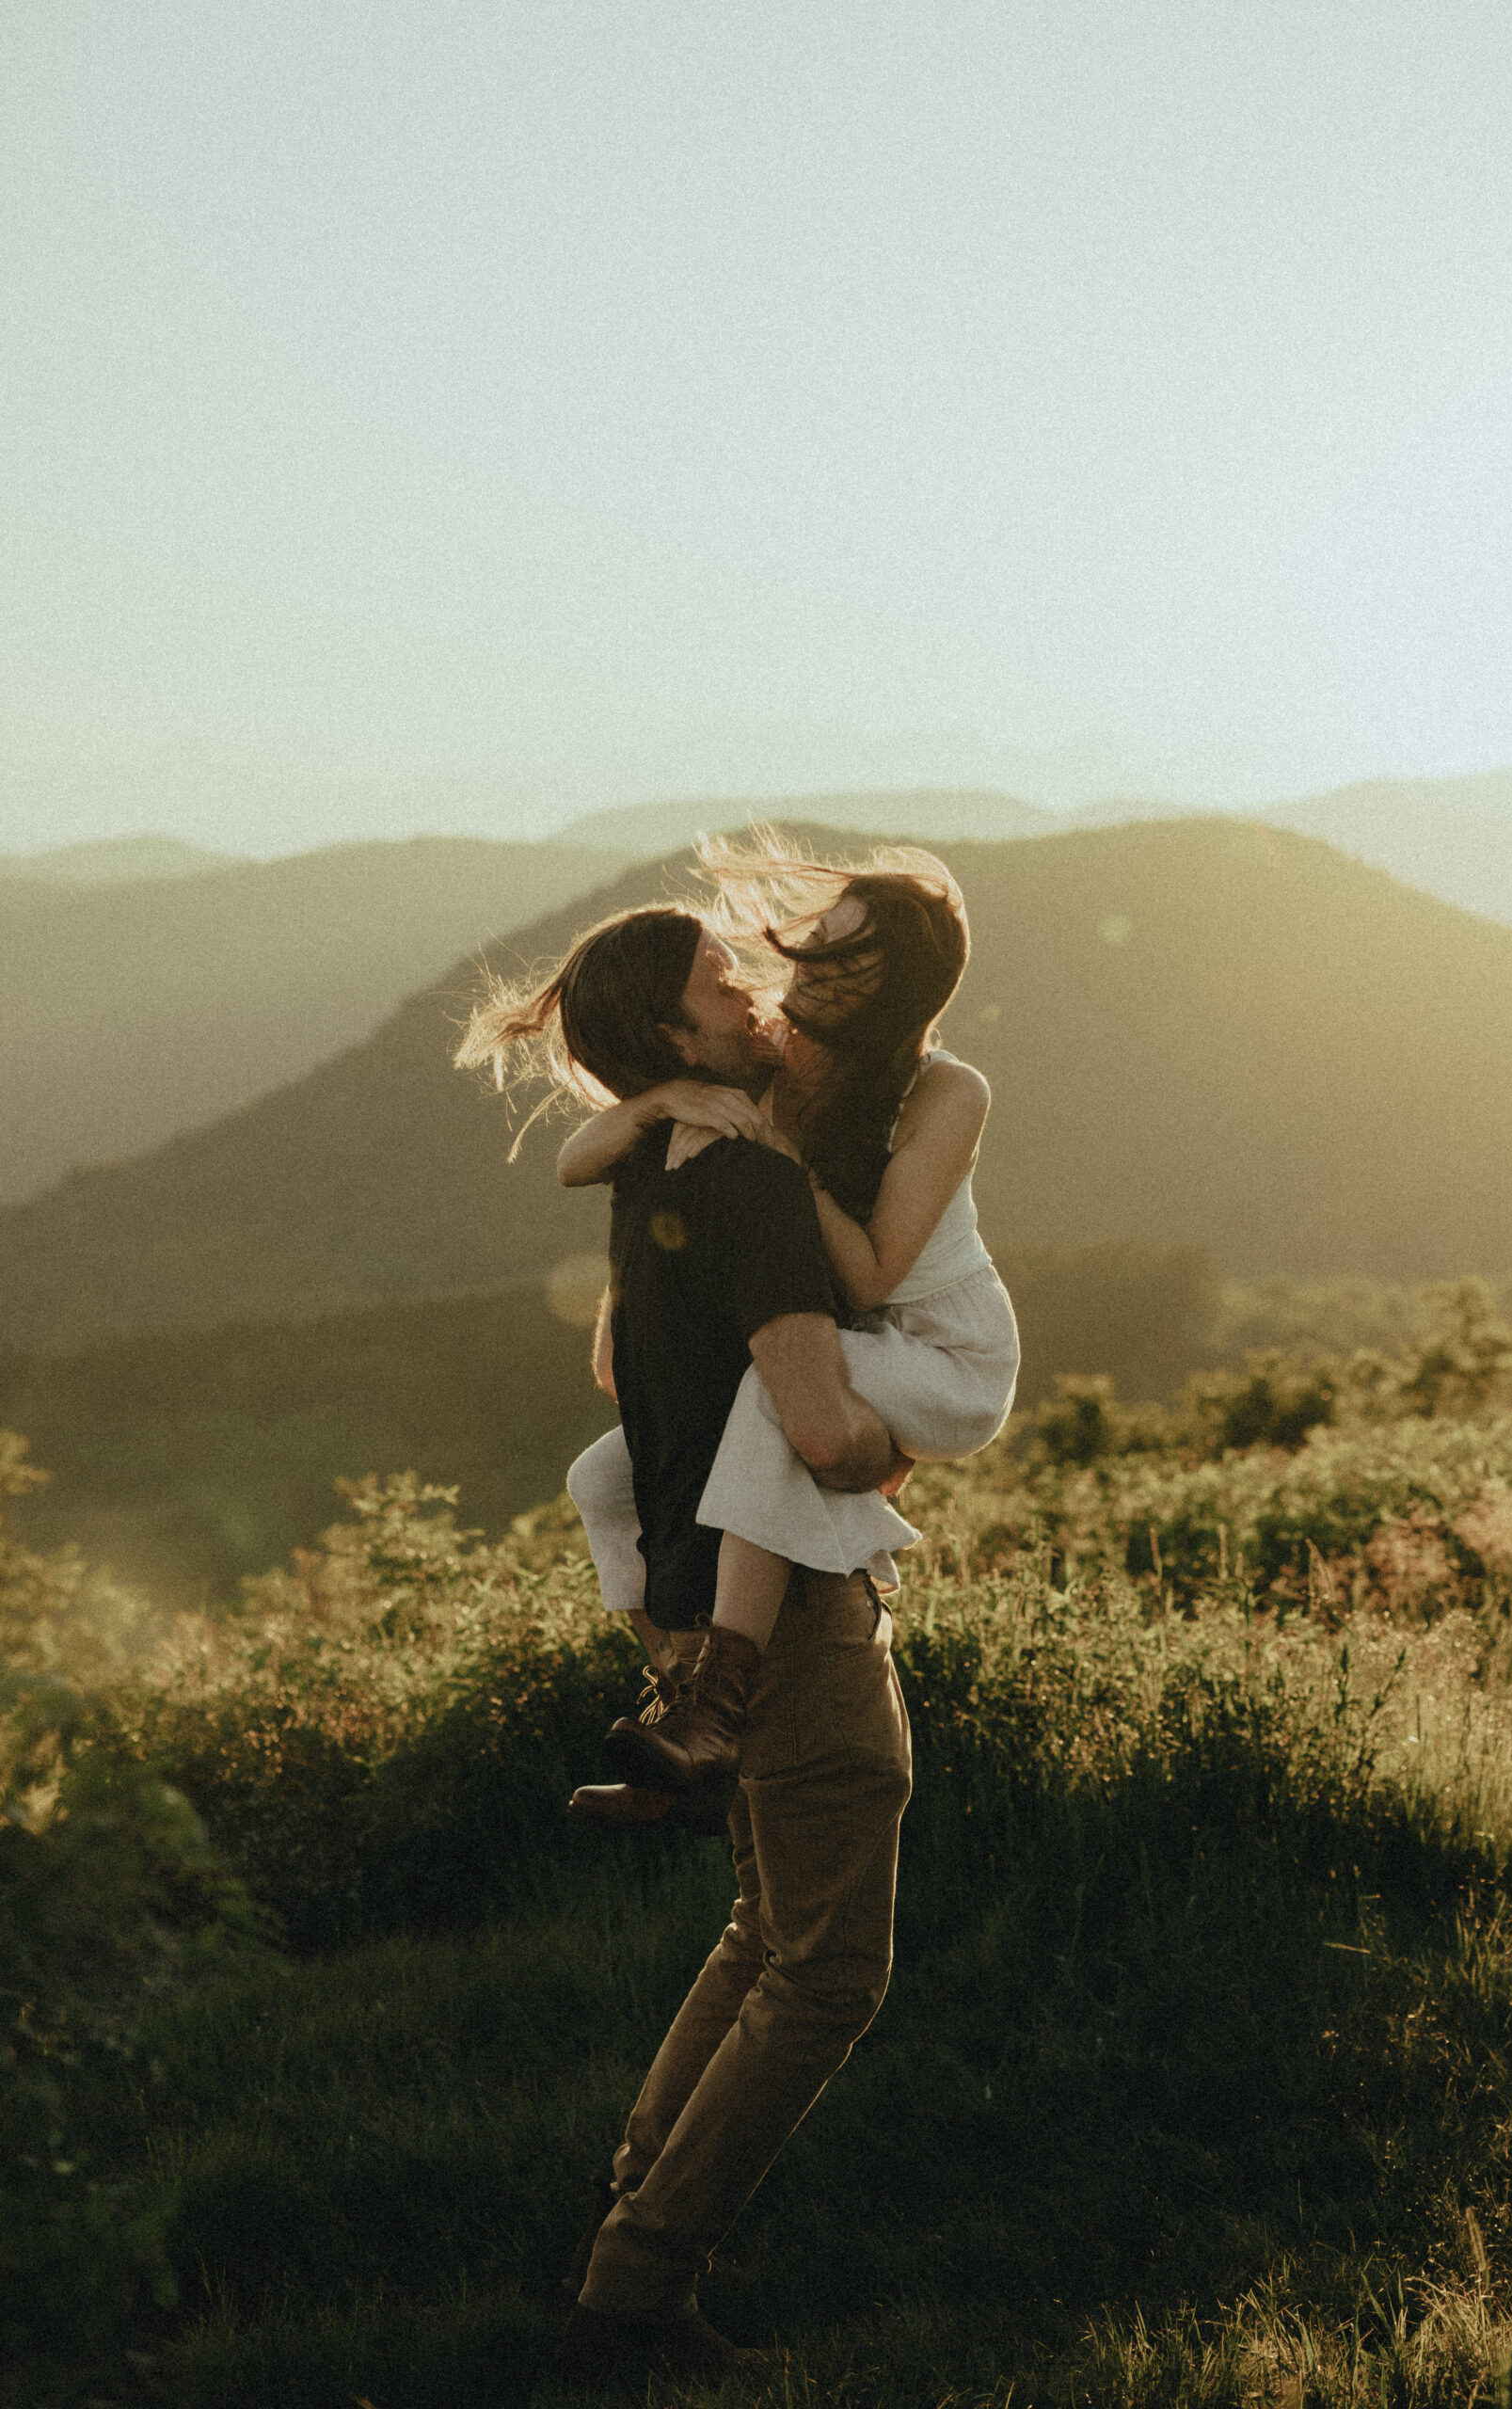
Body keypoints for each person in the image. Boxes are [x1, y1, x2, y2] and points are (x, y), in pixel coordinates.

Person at [454, 895, 916, 2383]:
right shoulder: (753, 1189)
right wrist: (896, 1451)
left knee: (759, 1932)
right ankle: (638, 2283)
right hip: (784, 1613)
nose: (752, 991)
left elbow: (633, 1362)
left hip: (680, 1591)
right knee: (827, 1972)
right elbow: (813, 1420)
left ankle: (633, 2207)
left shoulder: (652, 1160)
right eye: (726, 980)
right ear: (675, 1029)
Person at [555, 834, 1020, 1817]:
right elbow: (576, 1159)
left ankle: (720, 1705)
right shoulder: (783, 1057)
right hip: (850, 1338)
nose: (803, 959)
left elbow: (871, 1268)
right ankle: (683, 1708)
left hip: (941, 1351)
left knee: (770, 1400)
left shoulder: (946, 1090)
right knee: (601, 1477)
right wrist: (667, 1101)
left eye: (840, 950)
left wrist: (780, 1163)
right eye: (817, 935)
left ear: (888, 986)